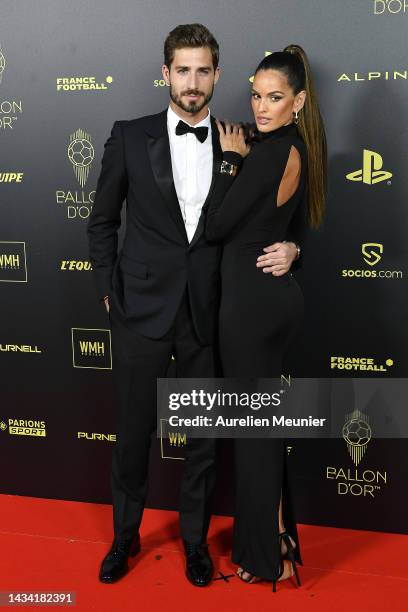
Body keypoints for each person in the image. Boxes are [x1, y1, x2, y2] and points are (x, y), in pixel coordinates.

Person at [87, 24, 300, 587]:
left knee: (202, 438)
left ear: (218, 76)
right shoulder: (129, 137)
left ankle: (195, 543)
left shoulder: (244, 144)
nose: (193, 81)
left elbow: (274, 218)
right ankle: (124, 537)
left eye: (203, 69)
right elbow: (103, 222)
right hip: (140, 310)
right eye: (182, 69)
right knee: (133, 434)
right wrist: (109, 287)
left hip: (209, 311)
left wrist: (294, 247)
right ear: (166, 74)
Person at [205, 45, 327, 591]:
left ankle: (264, 558)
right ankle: (277, 537)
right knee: (264, 428)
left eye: (274, 98)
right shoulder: (295, 147)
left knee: (253, 434)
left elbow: (217, 225)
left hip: (252, 309)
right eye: (256, 96)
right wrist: (295, 250)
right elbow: (290, 225)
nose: (260, 108)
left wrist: (230, 160)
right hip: (272, 301)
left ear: (297, 102)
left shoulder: (270, 152)